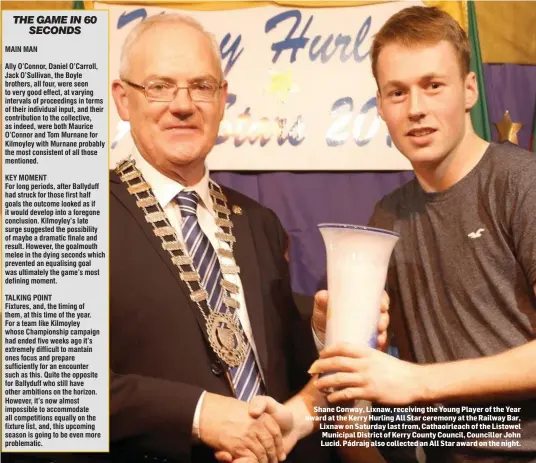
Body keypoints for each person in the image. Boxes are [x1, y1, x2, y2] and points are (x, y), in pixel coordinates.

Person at [107, 12, 390, 463]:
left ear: (222, 99)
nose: (182, 105)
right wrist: (199, 415)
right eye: (159, 86)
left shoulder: (258, 221)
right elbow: (40, 391)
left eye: (201, 86)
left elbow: (288, 366)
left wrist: (324, 332)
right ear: (124, 99)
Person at [307, 6, 536, 463]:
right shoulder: (388, 216)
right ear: (380, 107)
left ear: (469, 89)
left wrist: (416, 382)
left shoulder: (521, 184)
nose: (416, 109)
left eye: (433, 85)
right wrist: (325, 334)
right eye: (397, 92)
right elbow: (361, 379)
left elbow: (406, 380)